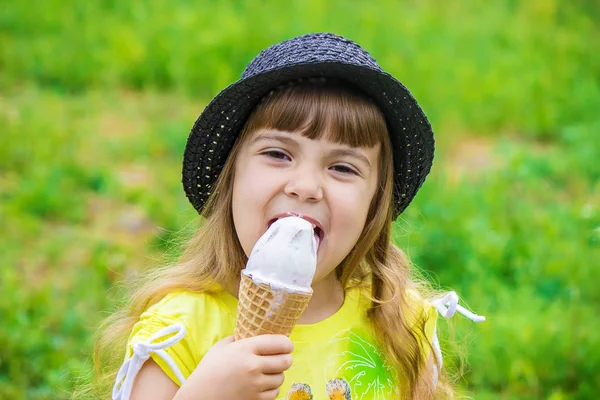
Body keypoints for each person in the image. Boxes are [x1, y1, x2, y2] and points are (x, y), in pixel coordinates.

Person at [98, 33, 484, 400]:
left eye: (343, 168)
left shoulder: (400, 324)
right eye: (278, 154)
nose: (306, 186)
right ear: (230, 178)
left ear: (374, 205)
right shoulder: (178, 331)